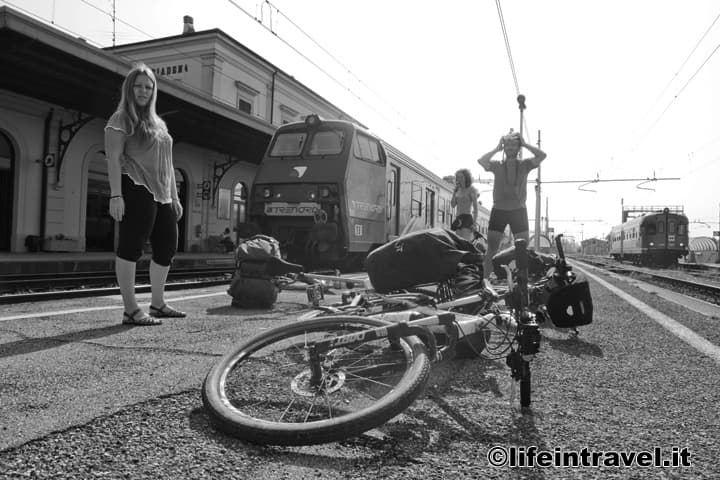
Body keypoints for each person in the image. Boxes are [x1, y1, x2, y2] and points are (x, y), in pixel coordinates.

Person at [105, 63, 186, 325]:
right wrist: (116, 195)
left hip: (163, 194)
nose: (144, 91)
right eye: (139, 86)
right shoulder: (121, 119)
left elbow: (168, 165)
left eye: (149, 87)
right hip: (136, 186)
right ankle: (130, 309)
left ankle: (158, 303)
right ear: (130, 88)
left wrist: (175, 196)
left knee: (167, 247)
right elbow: (114, 158)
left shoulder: (159, 123)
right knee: (131, 246)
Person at [477, 131, 546, 280]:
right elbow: (481, 161)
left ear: (518, 147)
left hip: (518, 210)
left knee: (523, 249)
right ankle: (485, 282)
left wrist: (526, 144)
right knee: (492, 249)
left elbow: (542, 156)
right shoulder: (497, 165)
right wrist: (497, 149)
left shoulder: (525, 164)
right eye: (507, 144)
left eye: (514, 144)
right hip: (499, 210)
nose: (510, 147)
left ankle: (523, 284)